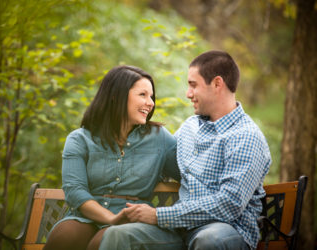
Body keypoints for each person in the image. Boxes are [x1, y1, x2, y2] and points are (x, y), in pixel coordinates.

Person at [99, 51, 272, 250]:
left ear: (217, 84)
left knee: (209, 240)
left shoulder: (246, 137)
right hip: (180, 229)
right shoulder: (190, 126)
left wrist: (158, 215)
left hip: (226, 230)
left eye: (193, 85)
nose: (188, 94)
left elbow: (228, 204)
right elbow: (158, 163)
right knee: (118, 235)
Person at [43, 65, 182, 250]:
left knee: (104, 240)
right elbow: (75, 191)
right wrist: (110, 218)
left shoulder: (159, 138)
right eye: (143, 95)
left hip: (131, 219)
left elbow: (188, 174)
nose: (151, 103)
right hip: (86, 215)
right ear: (116, 96)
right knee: (65, 237)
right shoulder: (80, 139)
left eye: (151, 96)